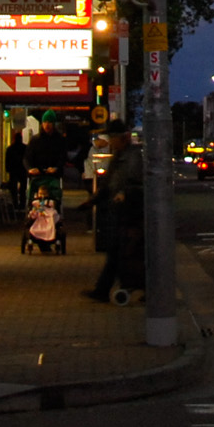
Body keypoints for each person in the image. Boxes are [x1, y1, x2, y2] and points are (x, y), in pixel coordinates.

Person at [83, 130, 145, 304]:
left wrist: (125, 193)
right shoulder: (118, 157)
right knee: (118, 252)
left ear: (122, 139)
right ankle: (109, 288)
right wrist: (92, 201)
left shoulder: (132, 157)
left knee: (125, 251)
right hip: (119, 211)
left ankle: (116, 288)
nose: (112, 143)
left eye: (114, 139)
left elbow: (136, 182)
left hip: (131, 211)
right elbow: (107, 183)